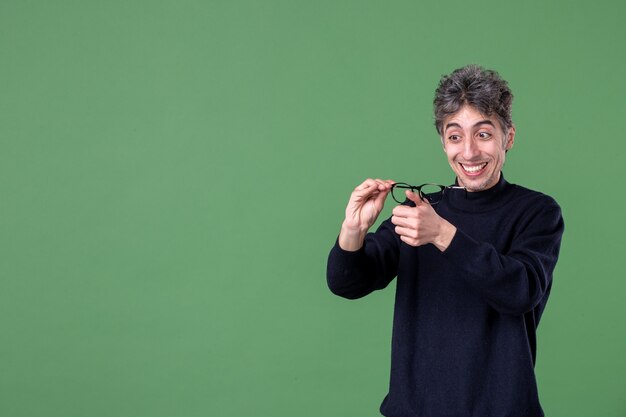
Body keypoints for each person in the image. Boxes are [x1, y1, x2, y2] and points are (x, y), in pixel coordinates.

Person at [326, 64, 564, 416]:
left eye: (483, 134)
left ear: (508, 137)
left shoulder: (536, 211)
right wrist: (353, 230)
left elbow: (521, 290)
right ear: (443, 141)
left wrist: (443, 235)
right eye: (455, 136)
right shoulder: (420, 209)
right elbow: (348, 282)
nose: (468, 153)